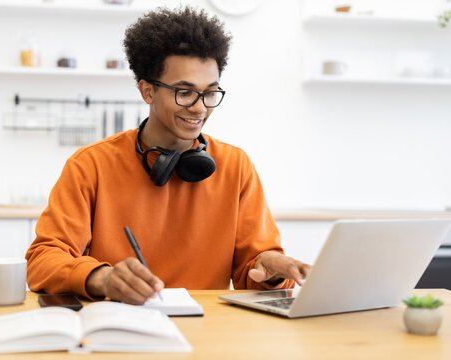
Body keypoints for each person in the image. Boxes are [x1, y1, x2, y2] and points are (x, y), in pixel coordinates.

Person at [26, 6, 310, 305]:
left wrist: (271, 269)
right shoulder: (90, 165)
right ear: (147, 91)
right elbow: (43, 260)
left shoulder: (236, 166)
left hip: (209, 332)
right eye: (184, 92)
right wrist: (102, 278)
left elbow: (253, 270)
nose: (200, 107)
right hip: (121, 323)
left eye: (210, 92)